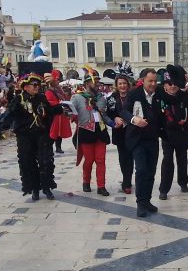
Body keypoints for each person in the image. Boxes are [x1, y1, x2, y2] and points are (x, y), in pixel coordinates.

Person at [120, 68, 163, 217]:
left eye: (155, 81)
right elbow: (123, 111)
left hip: (152, 139)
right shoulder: (134, 93)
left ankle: (147, 201)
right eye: (150, 81)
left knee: (151, 171)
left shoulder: (159, 93)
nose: (153, 84)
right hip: (137, 139)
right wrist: (134, 119)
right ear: (143, 80)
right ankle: (140, 203)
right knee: (141, 170)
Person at [156, 65, 188, 200]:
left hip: (182, 133)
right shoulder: (160, 97)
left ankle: (183, 182)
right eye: (169, 83)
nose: (173, 86)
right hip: (167, 135)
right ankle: (164, 189)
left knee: (182, 159)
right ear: (165, 85)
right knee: (167, 160)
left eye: (175, 83)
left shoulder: (184, 95)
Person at [8, 74, 55, 201]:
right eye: (34, 85)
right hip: (25, 136)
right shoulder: (18, 99)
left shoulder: (41, 97)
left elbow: (50, 112)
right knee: (28, 163)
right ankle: (35, 189)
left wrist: (59, 109)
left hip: (41, 135)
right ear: (26, 87)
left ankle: (47, 187)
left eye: (38, 85)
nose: (37, 87)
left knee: (45, 161)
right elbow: (10, 113)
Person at [70, 67, 111, 196]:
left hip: (101, 131)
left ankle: (101, 186)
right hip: (86, 132)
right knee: (89, 160)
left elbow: (104, 115)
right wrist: (67, 112)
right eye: (95, 82)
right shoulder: (77, 98)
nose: (98, 84)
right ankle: (86, 181)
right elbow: (71, 113)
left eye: (99, 82)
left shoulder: (102, 98)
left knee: (101, 160)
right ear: (87, 83)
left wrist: (114, 122)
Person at [106, 63, 136, 194]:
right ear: (116, 85)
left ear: (128, 84)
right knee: (123, 158)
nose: (122, 86)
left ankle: (127, 182)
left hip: (132, 132)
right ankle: (126, 181)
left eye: (124, 83)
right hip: (119, 132)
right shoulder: (112, 98)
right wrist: (114, 119)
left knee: (131, 158)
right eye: (120, 84)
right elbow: (107, 113)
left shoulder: (133, 96)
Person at [45, 70, 72, 154]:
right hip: (54, 115)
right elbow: (49, 101)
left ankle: (58, 147)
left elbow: (65, 98)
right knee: (54, 132)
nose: (58, 81)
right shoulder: (48, 91)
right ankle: (49, 147)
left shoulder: (59, 90)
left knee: (60, 133)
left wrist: (69, 93)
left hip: (61, 114)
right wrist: (58, 103)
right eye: (56, 80)